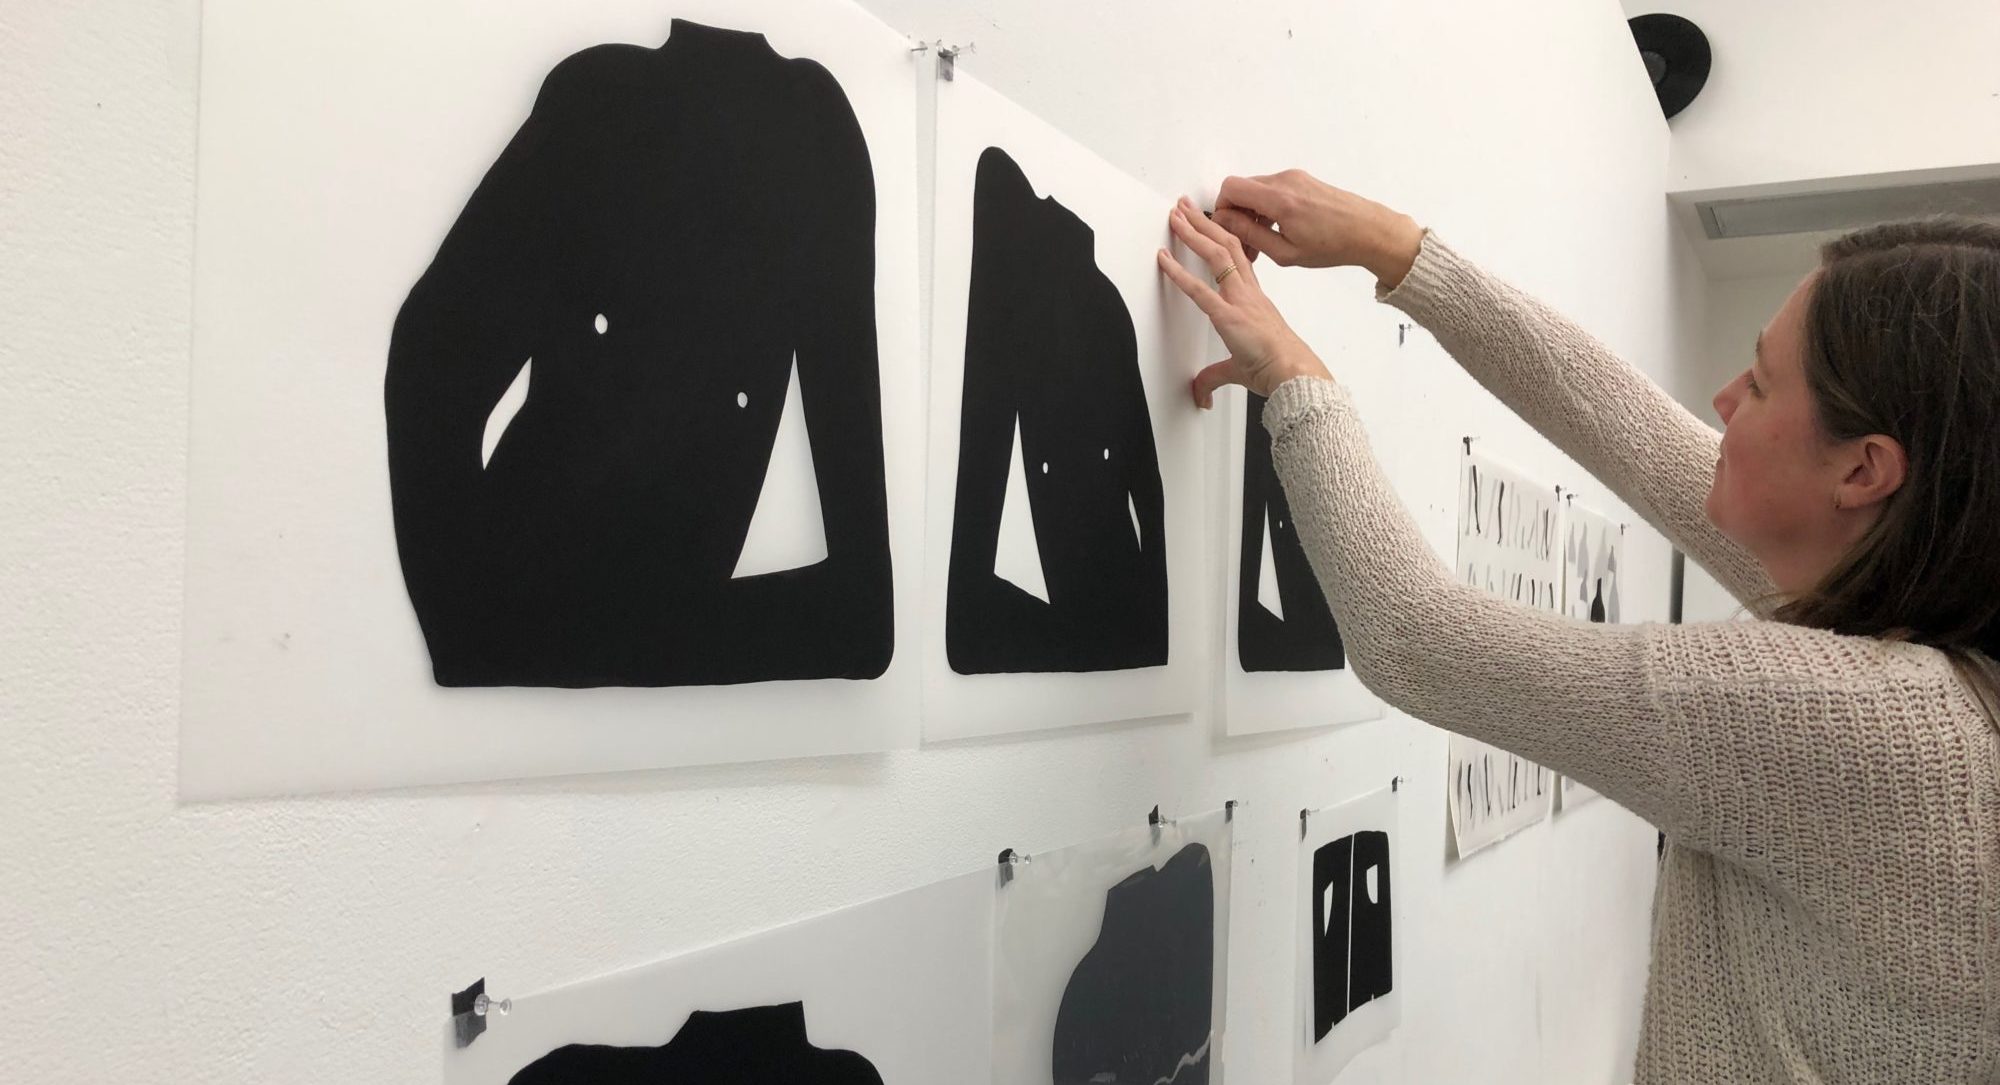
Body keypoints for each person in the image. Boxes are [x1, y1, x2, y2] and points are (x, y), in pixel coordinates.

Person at [1156, 172, 2000, 1083]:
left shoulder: (1867, 729)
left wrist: (1294, 376)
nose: (1721, 400)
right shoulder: (1941, 656)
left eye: (1760, 382)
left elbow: (1417, 639)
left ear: (1865, 471)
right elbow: (1630, 432)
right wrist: (1397, 251)